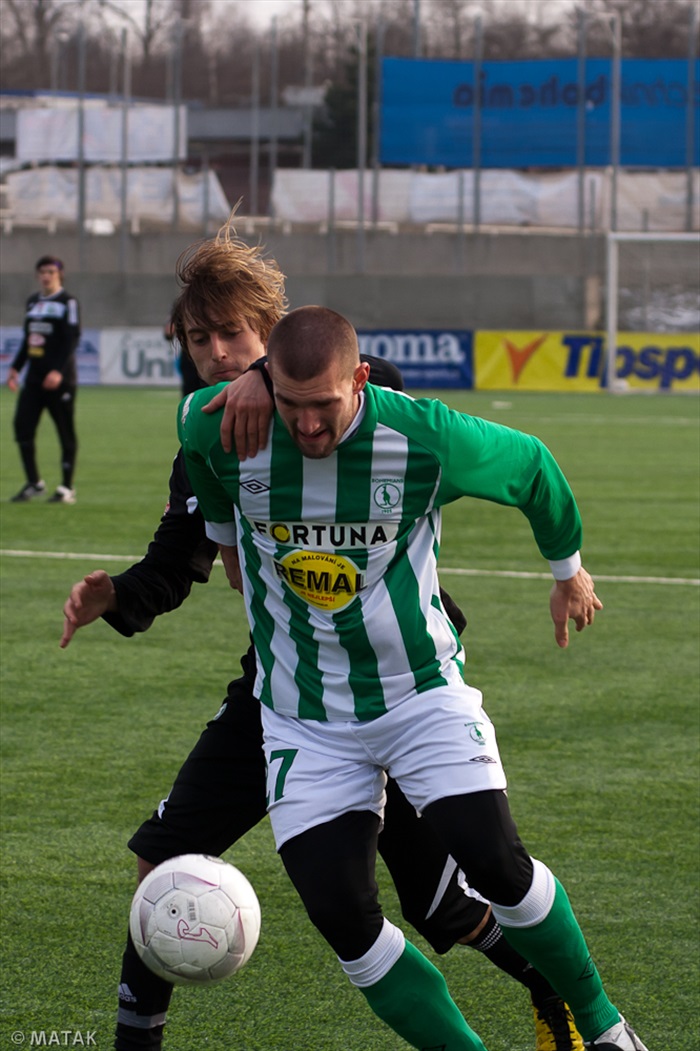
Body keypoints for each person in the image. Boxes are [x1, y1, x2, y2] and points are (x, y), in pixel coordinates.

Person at [62, 227, 584, 1051]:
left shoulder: (353, 404)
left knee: (441, 895)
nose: (218, 351)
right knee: (164, 863)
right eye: (200, 338)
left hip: (402, 678)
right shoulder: (203, 440)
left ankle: (559, 994)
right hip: (285, 690)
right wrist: (117, 595)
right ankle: (136, 1039)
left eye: (235, 332)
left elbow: (389, 400)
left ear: (273, 329)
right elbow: (179, 558)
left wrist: (274, 381)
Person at [178, 303, 650, 1051]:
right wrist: (224, 536)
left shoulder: (419, 436)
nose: (305, 426)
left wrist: (569, 570)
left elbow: (532, 466)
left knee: (495, 863)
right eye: (291, 406)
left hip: (419, 693)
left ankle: (605, 1026)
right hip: (303, 715)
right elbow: (203, 463)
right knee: (345, 921)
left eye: (324, 405)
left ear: (359, 379)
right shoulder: (215, 425)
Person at [7, 255, 81, 504]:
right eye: (42, 271)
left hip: (60, 380)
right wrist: (16, 368)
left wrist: (58, 370)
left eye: (50, 271)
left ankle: (66, 487)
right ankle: (34, 483)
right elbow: (29, 340)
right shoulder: (32, 303)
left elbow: (72, 338)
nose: (46, 275)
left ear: (60, 274)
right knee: (22, 429)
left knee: (64, 432)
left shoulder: (67, 302)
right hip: (35, 380)